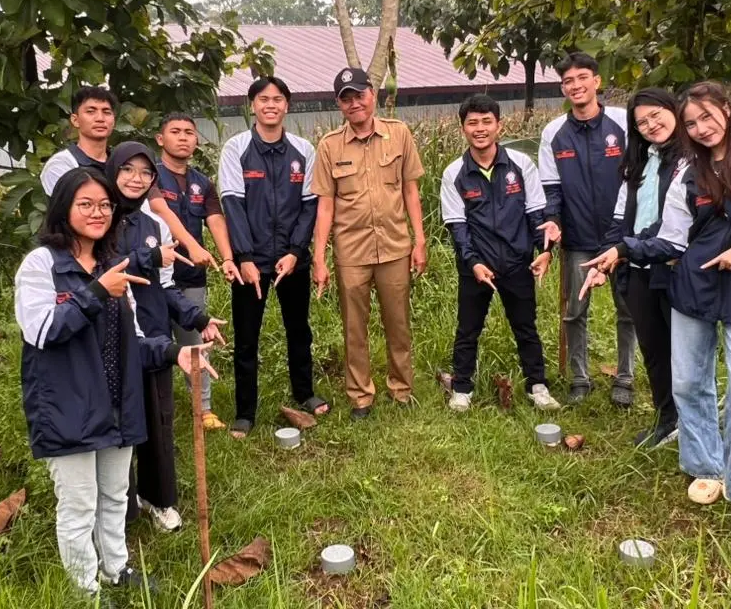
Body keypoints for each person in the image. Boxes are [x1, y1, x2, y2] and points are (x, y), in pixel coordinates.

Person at [581, 81, 731, 527]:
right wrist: (621, 252)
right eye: (692, 123)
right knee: (689, 383)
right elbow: (670, 237)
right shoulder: (688, 173)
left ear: (727, 108)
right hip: (693, 288)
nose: (702, 128)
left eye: (707, 116)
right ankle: (706, 466)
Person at [13, 166, 215, 598]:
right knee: (79, 503)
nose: (97, 212)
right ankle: (84, 589)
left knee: (116, 493)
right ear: (62, 208)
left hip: (117, 400)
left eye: (104, 205)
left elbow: (134, 339)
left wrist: (174, 352)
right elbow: (43, 331)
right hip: (68, 404)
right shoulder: (42, 265)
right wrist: (97, 292)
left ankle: (116, 567)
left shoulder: (110, 266)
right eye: (84, 204)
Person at [105, 142, 226, 534]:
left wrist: (199, 316)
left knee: (158, 421)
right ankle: (118, 508)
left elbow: (167, 287)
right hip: (111, 341)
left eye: (144, 173)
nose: (136, 179)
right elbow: (106, 271)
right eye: (128, 170)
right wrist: (149, 260)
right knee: (118, 424)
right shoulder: (98, 220)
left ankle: (158, 499)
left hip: (154, 340)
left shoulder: (153, 225)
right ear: (113, 172)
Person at [311, 68, 428, 420]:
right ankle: (361, 395)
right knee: (354, 328)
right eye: (346, 98)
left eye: (359, 95)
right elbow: (325, 204)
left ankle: (401, 388)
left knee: (398, 322)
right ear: (338, 104)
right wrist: (319, 258)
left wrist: (419, 241)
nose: (354, 103)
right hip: (351, 251)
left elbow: (410, 190)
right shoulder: (330, 145)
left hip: (394, 246)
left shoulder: (399, 134)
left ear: (372, 94)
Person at [439, 94, 563, 412]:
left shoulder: (522, 165)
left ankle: (538, 386)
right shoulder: (454, 173)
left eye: (486, 122)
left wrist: (545, 252)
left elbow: (537, 216)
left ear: (499, 125)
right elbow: (458, 229)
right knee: (468, 330)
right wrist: (474, 263)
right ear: (463, 128)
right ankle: (462, 389)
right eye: (472, 123)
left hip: (518, 263)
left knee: (526, 328)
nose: (480, 129)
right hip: (476, 269)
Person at [219, 77, 327, 439]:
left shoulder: (303, 150)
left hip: (291, 261)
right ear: (252, 105)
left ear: (287, 106)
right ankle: (245, 412)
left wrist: (297, 252)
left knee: (299, 329)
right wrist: (244, 257)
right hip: (252, 262)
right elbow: (232, 204)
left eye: (278, 99)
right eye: (263, 99)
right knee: (247, 337)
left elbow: (310, 205)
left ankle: (305, 392)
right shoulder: (236, 149)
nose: (271, 105)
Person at [585, 88, 688, 449]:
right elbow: (618, 219)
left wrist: (621, 250)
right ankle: (666, 417)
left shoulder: (690, 161)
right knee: (654, 349)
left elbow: (674, 226)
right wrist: (606, 258)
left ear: (673, 110)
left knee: (685, 352)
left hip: (675, 269)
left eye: (656, 115)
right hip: (637, 269)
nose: (650, 125)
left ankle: (695, 425)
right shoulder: (638, 163)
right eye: (641, 122)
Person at [538, 52, 637, 407]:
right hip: (578, 240)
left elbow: (637, 180)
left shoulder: (623, 124)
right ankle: (580, 377)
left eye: (582, 78)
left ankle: (625, 377)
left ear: (596, 81)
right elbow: (552, 189)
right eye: (568, 81)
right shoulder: (554, 133)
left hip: (623, 239)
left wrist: (626, 234)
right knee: (574, 311)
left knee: (628, 310)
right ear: (563, 88)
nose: (576, 86)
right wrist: (553, 224)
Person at [40, 86, 216, 269]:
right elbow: (80, 217)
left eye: (106, 112)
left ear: (114, 120)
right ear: (75, 120)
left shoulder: (123, 163)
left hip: (127, 259)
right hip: (77, 263)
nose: (100, 118)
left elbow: (147, 210)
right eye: (91, 111)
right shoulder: (62, 164)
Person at [155, 112, 240, 431]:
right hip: (151, 277)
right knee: (154, 342)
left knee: (195, 342)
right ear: (160, 139)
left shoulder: (201, 182)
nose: (183, 137)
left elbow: (215, 219)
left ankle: (202, 409)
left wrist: (227, 257)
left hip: (191, 278)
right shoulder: (149, 178)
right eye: (175, 131)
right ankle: (157, 409)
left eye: (189, 132)